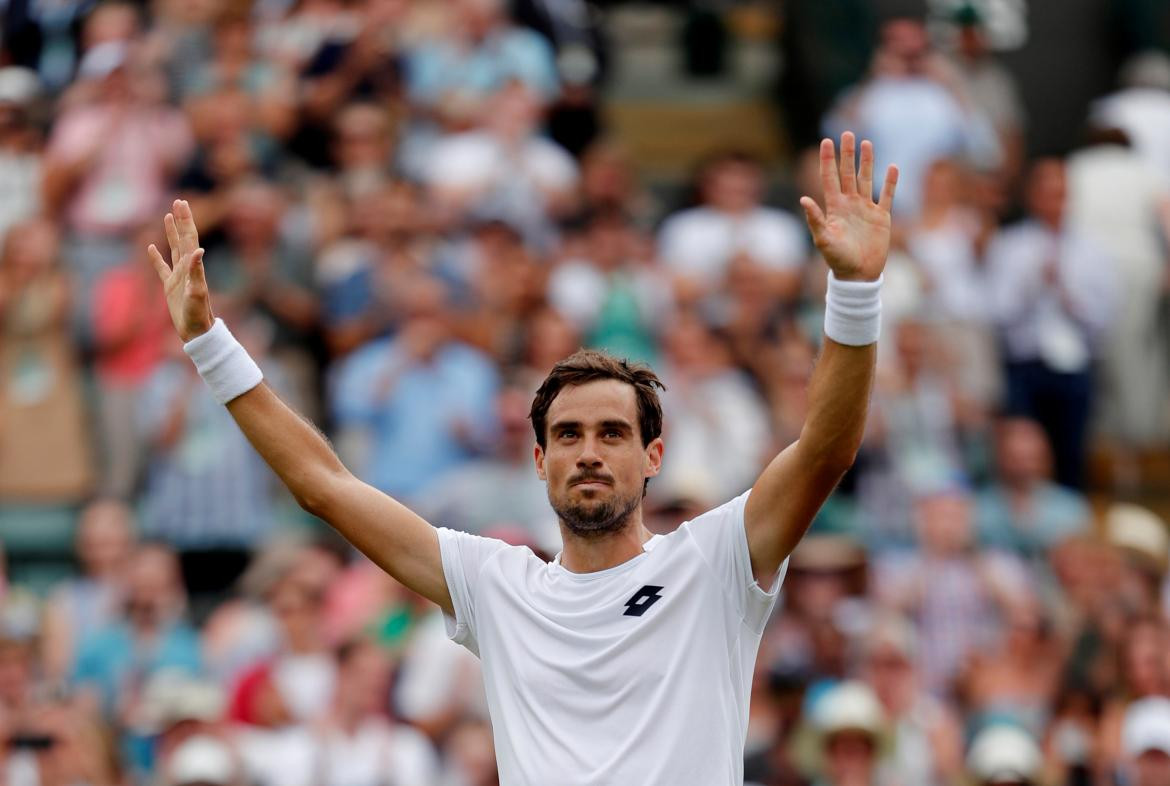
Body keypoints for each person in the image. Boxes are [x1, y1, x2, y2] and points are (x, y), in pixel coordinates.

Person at [145, 132, 898, 784]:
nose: (590, 452)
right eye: (567, 436)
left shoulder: (715, 560)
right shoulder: (494, 585)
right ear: (538, 461)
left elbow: (826, 450)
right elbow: (323, 487)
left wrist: (854, 292)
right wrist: (212, 345)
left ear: (654, 455)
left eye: (612, 433)